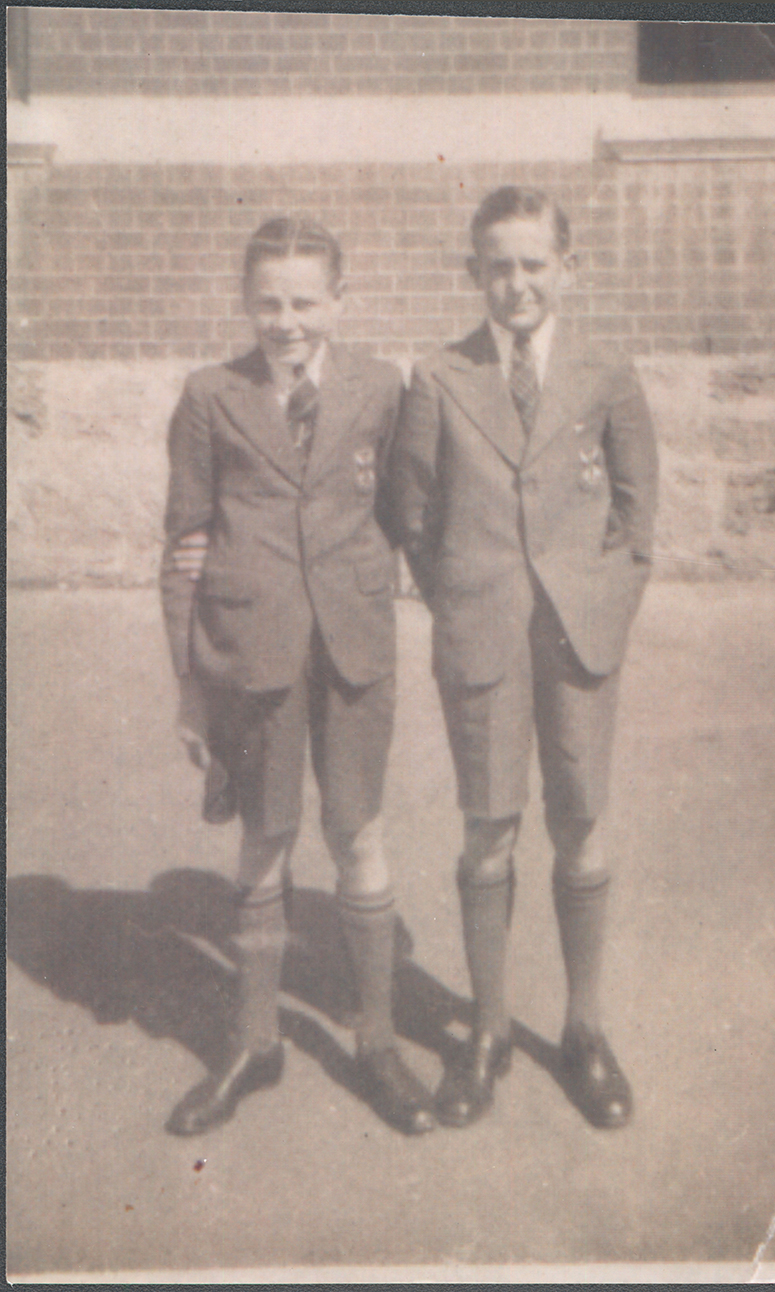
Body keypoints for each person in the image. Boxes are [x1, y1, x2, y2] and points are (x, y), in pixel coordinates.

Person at [159, 216, 436, 1137]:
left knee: (357, 833)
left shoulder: (379, 389)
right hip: (254, 655)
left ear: (339, 301)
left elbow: (405, 513)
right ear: (246, 304)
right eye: (268, 303)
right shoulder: (210, 395)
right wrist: (191, 683)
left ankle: (378, 1042)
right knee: (265, 840)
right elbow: (187, 547)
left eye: (304, 302)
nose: (286, 322)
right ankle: (252, 1040)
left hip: (353, 647)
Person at [390, 186, 658, 1130]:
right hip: (484, 637)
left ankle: (583, 1030)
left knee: (581, 820)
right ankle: (489, 1031)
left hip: (580, 635)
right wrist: (463, 596)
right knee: (488, 830)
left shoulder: (603, 370)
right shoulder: (438, 377)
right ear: (474, 275)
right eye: (496, 266)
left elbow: (637, 509)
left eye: (533, 264)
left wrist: (607, 602)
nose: (515, 284)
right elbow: (410, 517)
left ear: (566, 270)